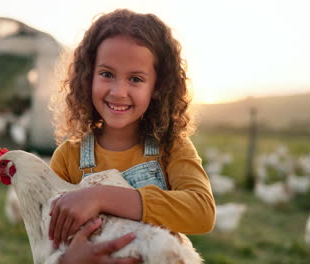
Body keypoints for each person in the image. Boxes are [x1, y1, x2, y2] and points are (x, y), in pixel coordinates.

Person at [48, 8, 215, 263]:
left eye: (135, 79)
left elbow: (202, 211)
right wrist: (69, 259)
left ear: (157, 88)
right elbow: (48, 240)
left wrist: (99, 196)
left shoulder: (171, 148)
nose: (118, 91)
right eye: (106, 74)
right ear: (87, 76)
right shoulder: (68, 158)